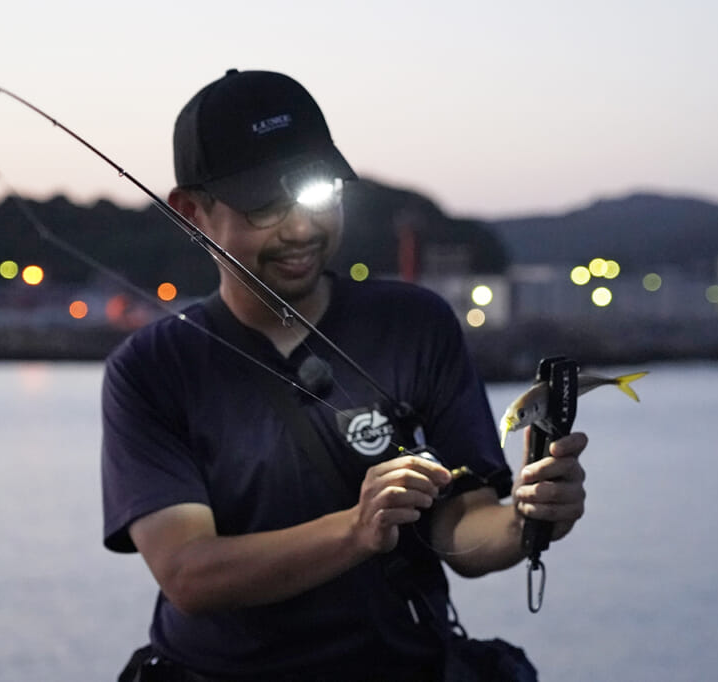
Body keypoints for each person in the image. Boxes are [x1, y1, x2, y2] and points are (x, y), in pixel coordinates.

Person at [102, 68, 588, 682]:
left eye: (316, 193)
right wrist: (356, 531)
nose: (300, 228)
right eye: (264, 206)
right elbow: (190, 574)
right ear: (192, 212)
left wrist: (526, 518)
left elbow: (461, 528)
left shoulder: (414, 324)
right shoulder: (151, 370)